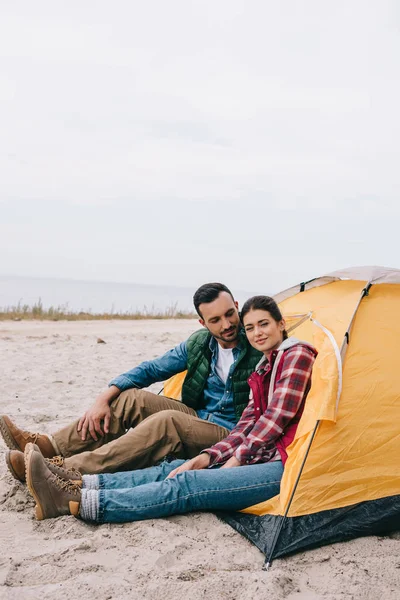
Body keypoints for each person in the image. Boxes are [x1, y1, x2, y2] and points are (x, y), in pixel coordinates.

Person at [23, 295, 317, 522]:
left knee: (187, 481)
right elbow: (248, 425)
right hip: (255, 451)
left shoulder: (295, 354)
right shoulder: (264, 364)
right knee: (174, 467)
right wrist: (206, 458)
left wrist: (233, 461)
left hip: (283, 461)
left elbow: (274, 420)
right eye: (250, 326)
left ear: (281, 324)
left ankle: (80, 502)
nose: (253, 332)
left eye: (263, 324)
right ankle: (73, 481)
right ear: (203, 322)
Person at [1, 283, 262, 480]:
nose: (227, 324)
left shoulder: (258, 343)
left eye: (230, 314)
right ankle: (50, 446)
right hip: (199, 415)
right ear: (202, 322)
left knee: (167, 421)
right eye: (215, 320)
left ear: (237, 306)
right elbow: (151, 369)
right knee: (128, 398)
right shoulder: (198, 343)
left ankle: (64, 469)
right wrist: (103, 398)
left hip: (231, 430)